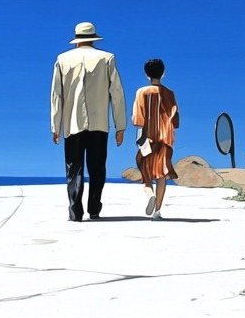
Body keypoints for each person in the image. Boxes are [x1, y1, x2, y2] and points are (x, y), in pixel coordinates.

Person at [50, 21, 127, 222]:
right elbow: (117, 94)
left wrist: (55, 125)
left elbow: (56, 95)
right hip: (99, 123)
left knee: (73, 168)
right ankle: (94, 208)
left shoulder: (62, 59)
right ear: (94, 39)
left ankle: (75, 211)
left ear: (76, 40)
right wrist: (120, 125)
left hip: (72, 123)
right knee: (97, 167)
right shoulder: (107, 58)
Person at [132, 58, 180, 219]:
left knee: (145, 172)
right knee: (161, 175)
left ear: (147, 74)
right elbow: (175, 120)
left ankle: (149, 194)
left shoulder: (141, 92)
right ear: (163, 73)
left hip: (148, 139)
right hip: (165, 139)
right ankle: (157, 211)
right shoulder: (169, 94)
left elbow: (137, 119)